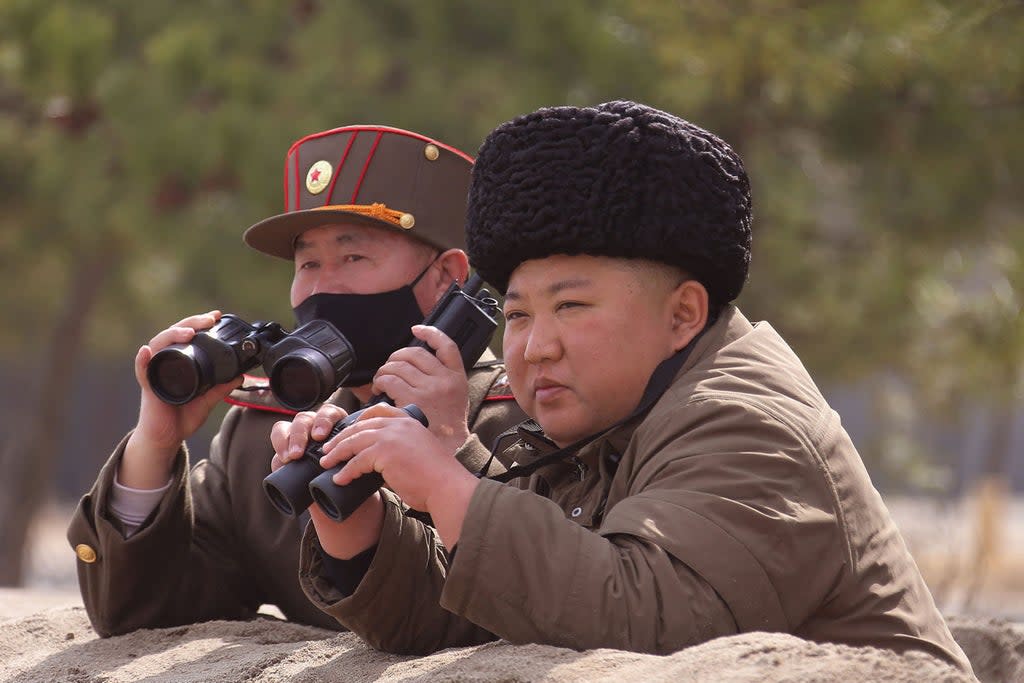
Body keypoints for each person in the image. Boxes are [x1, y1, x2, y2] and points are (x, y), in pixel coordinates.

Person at [275, 101, 973, 675]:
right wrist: (353, 523)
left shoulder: (746, 423)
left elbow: (654, 624)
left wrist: (451, 490)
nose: (533, 344)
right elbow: (493, 609)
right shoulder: (610, 418)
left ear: (682, 315)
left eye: (571, 306)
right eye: (516, 314)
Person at [66, 125, 525, 637]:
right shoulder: (263, 439)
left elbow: (542, 602)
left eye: (353, 257)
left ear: (447, 277)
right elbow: (138, 614)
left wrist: (452, 449)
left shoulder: (526, 422)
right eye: (307, 262)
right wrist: (156, 442)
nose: (323, 286)